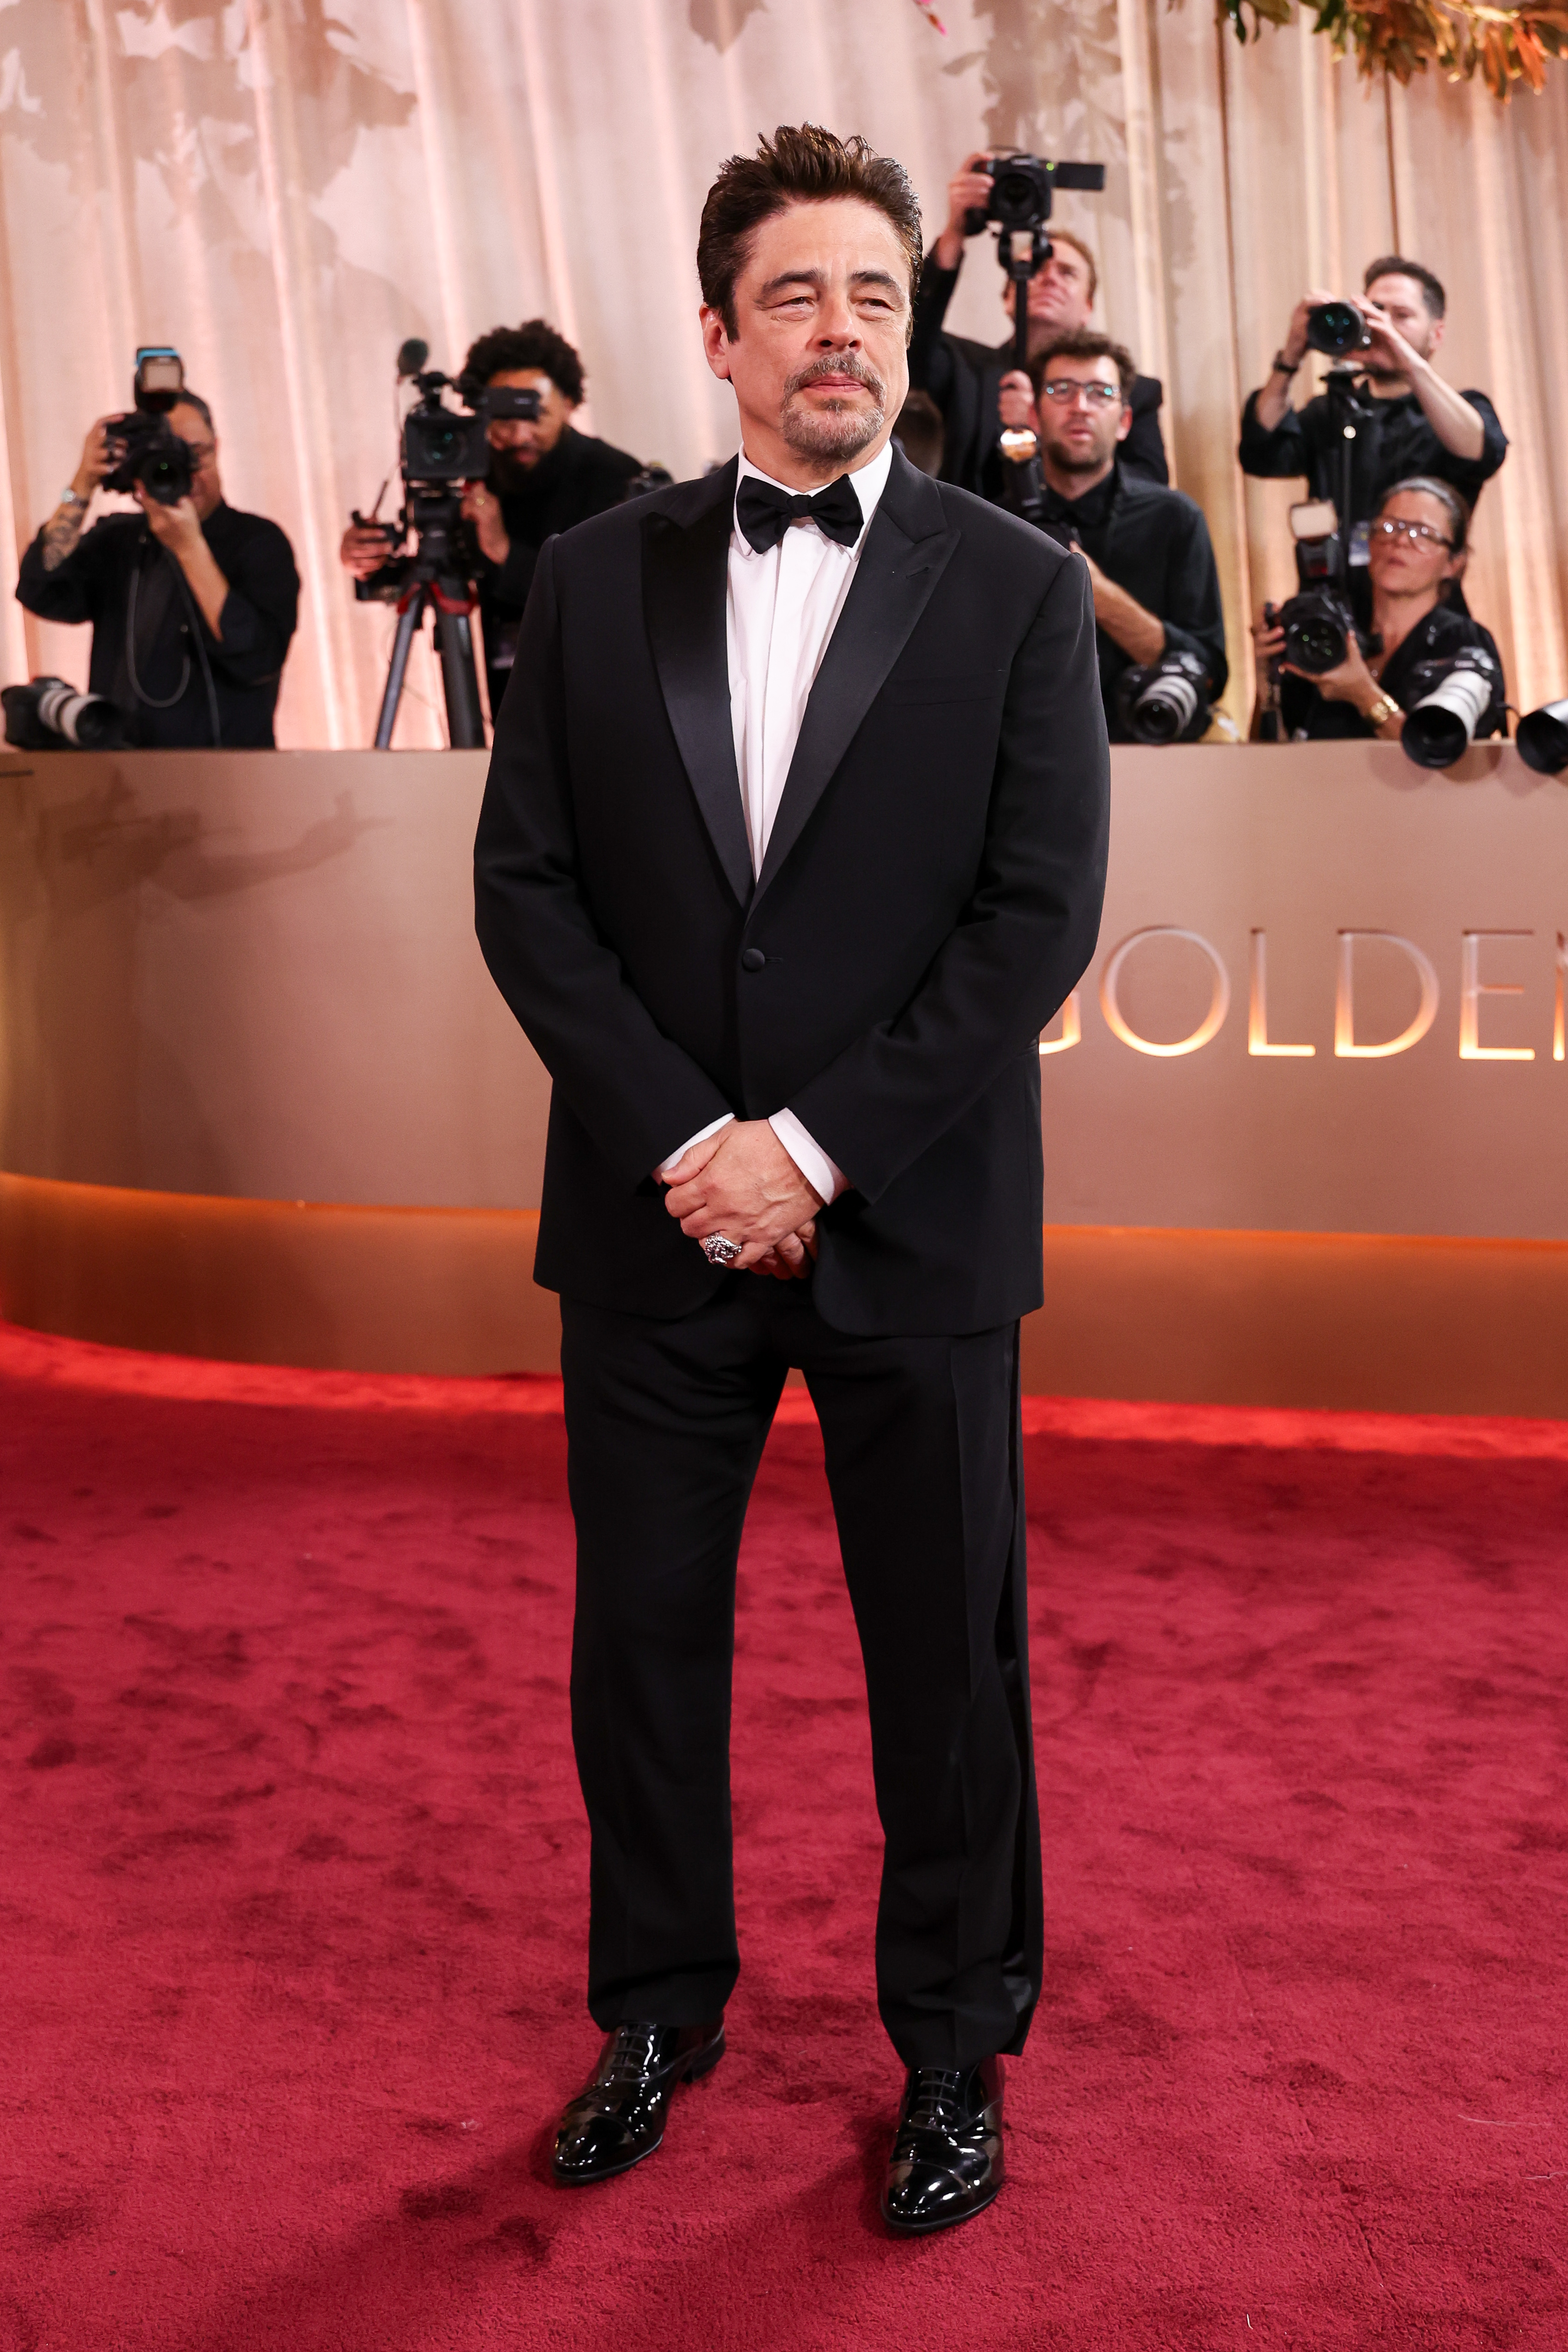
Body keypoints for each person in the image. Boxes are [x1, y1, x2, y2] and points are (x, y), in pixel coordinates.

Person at [473, 125, 1108, 2235]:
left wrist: (812, 1151)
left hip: (911, 1216)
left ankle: (951, 2051)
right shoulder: (590, 579)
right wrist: (692, 1143)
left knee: (948, 1665)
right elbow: (528, 892)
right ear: (719, 330)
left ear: (907, 331)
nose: (840, 331)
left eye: (872, 295)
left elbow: (1033, 915)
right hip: (651, 1218)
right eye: (795, 296)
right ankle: (655, 2008)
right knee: (640, 1646)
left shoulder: (1016, 587)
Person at [342, 320, 642, 724]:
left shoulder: (615, 479)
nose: (519, 435)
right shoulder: (472, 472)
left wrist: (504, 551)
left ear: (570, 403)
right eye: (502, 419)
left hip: (606, 704)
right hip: (509, 709)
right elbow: (434, 567)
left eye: (534, 415)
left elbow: (608, 600)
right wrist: (368, 562)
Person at [16, 393, 298, 746]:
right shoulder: (118, 538)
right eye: (165, 458)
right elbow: (39, 589)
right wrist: (82, 484)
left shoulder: (259, 541)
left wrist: (190, 549)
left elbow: (258, 658)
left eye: (196, 454)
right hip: (122, 769)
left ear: (217, 448)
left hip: (227, 772)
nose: (185, 472)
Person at [996, 331, 1225, 739]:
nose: (1080, 407)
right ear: (1033, 415)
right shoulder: (995, 523)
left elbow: (1207, 675)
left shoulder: (1175, 518)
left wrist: (1100, 596)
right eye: (1061, 390)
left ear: (1124, 422)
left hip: (1153, 753)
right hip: (1025, 752)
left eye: (1101, 393)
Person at [909, 147, 1168, 504]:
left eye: (1067, 273)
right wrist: (955, 232)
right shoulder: (964, 369)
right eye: (1034, 268)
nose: (1049, 279)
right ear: (1007, 297)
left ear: (1088, 307)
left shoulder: (1130, 393)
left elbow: (1148, 494)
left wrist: (1048, 431)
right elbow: (908, 343)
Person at [1240, 256, 1507, 530]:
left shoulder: (1462, 410)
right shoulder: (1332, 409)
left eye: (1401, 316)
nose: (1383, 325)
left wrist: (1409, 363)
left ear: (1436, 334)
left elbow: (1482, 453)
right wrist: (1291, 355)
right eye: (1375, 311)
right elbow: (1262, 454)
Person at [1253, 476, 1504, 742]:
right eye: (1388, 527)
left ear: (1454, 564)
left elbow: (1441, 752)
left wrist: (1363, 695)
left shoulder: (1462, 642)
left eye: (1422, 533)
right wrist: (1265, 680)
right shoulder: (1328, 632)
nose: (1400, 541)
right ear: (1369, 542)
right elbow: (1267, 754)